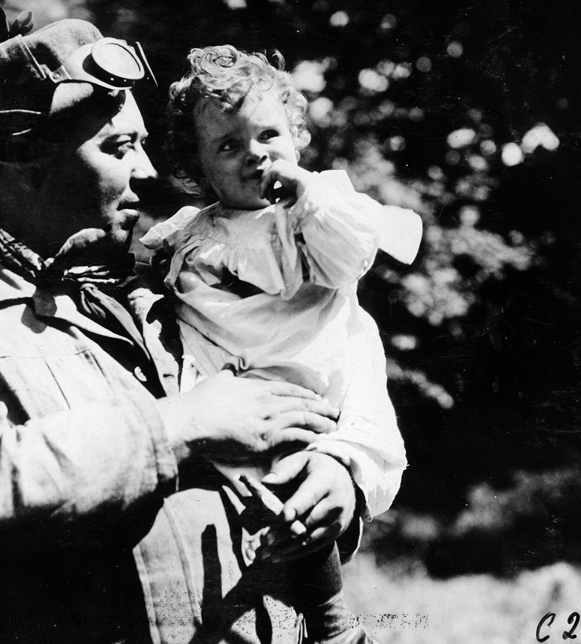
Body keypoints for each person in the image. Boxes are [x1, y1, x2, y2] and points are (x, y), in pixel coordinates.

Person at [0, 13, 392, 644]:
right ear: (21, 160)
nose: (152, 172)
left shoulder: (163, 286)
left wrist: (340, 475)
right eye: (119, 148)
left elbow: (337, 341)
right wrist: (182, 423)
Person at [140, 45, 422, 643]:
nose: (255, 155)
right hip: (229, 379)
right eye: (228, 146)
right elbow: (151, 269)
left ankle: (333, 622)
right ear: (198, 166)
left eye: (268, 134)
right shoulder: (193, 231)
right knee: (243, 492)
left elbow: (350, 258)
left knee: (302, 481)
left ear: (296, 135)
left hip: (302, 374)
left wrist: (308, 199)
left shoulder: (313, 210)